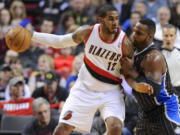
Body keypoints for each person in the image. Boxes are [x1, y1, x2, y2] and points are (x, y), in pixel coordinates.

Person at [19, 4, 147, 135]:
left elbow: (131, 72)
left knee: (116, 128)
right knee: (62, 129)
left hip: (111, 90)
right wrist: (32, 35)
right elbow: (60, 41)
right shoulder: (88, 32)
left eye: (116, 18)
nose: (115, 22)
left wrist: (137, 83)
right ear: (101, 20)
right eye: (110, 19)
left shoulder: (124, 43)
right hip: (84, 88)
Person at [120, 19, 180, 135]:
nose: (134, 35)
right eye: (134, 31)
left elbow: (153, 90)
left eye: (139, 34)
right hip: (145, 111)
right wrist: (130, 77)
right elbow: (129, 77)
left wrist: (130, 72)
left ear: (149, 37)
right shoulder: (134, 50)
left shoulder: (153, 57)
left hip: (164, 110)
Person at [161, 24, 180, 95]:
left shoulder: (179, 52)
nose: (169, 39)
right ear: (162, 36)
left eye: (171, 35)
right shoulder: (158, 55)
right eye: (166, 35)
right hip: (166, 92)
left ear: (175, 37)